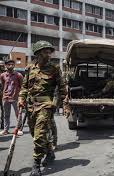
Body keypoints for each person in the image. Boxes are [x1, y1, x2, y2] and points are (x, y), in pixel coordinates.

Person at [18, 41, 67, 176]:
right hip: (31, 106)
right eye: (46, 51)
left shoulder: (54, 68)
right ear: (38, 53)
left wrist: (65, 105)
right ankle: (50, 152)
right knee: (36, 134)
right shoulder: (29, 68)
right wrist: (21, 99)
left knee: (39, 135)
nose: (49, 54)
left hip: (46, 105)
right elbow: (24, 87)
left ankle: (36, 164)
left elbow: (62, 88)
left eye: (49, 51)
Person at [0, 60, 23, 136]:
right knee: (6, 115)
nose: (11, 66)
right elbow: (3, 86)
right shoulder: (2, 75)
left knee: (18, 114)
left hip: (15, 97)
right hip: (5, 97)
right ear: (6, 65)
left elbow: (22, 86)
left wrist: (20, 96)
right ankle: (6, 130)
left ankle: (19, 129)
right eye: (9, 64)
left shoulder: (18, 75)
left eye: (12, 64)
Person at [0, 60, 5, 129]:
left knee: (3, 110)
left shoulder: (5, 73)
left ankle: (2, 123)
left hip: (3, 94)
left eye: (2, 65)